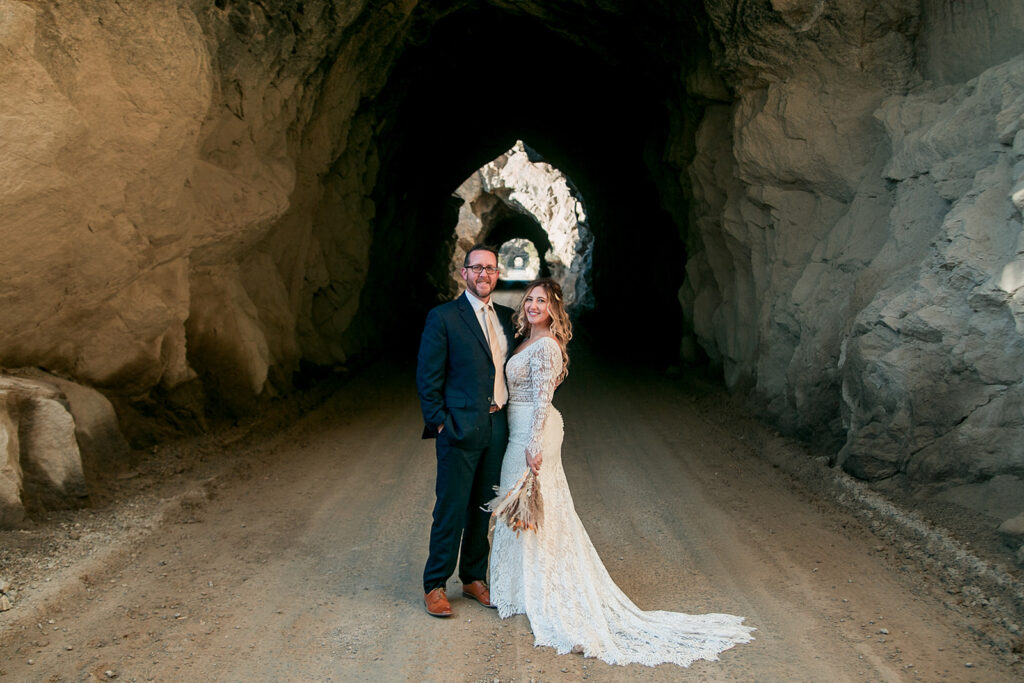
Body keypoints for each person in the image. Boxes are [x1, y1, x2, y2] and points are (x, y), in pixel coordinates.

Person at [489, 278, 755, 666]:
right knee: (525, 510)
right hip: (521, 427)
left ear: (552, 309)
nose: (532, 305)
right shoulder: (528, 340)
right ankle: (520, 589)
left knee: (537, 507)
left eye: (541, 301)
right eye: (529, 299)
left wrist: (532, 445)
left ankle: (543, 591)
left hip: (533, 433)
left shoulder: (546, 345)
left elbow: (543, 398)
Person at [416, 244, 516, 617]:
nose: (483, 275)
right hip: (458, 429)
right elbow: (428, 377)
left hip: (497, 427)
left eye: (490, 269)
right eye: (476, 268)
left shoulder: (507, 317)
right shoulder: (444, 317)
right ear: (464, 273)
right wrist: (441, 422)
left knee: (482, 508)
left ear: (497, 274)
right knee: (451, 508)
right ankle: (435, 585)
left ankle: (474, 577)